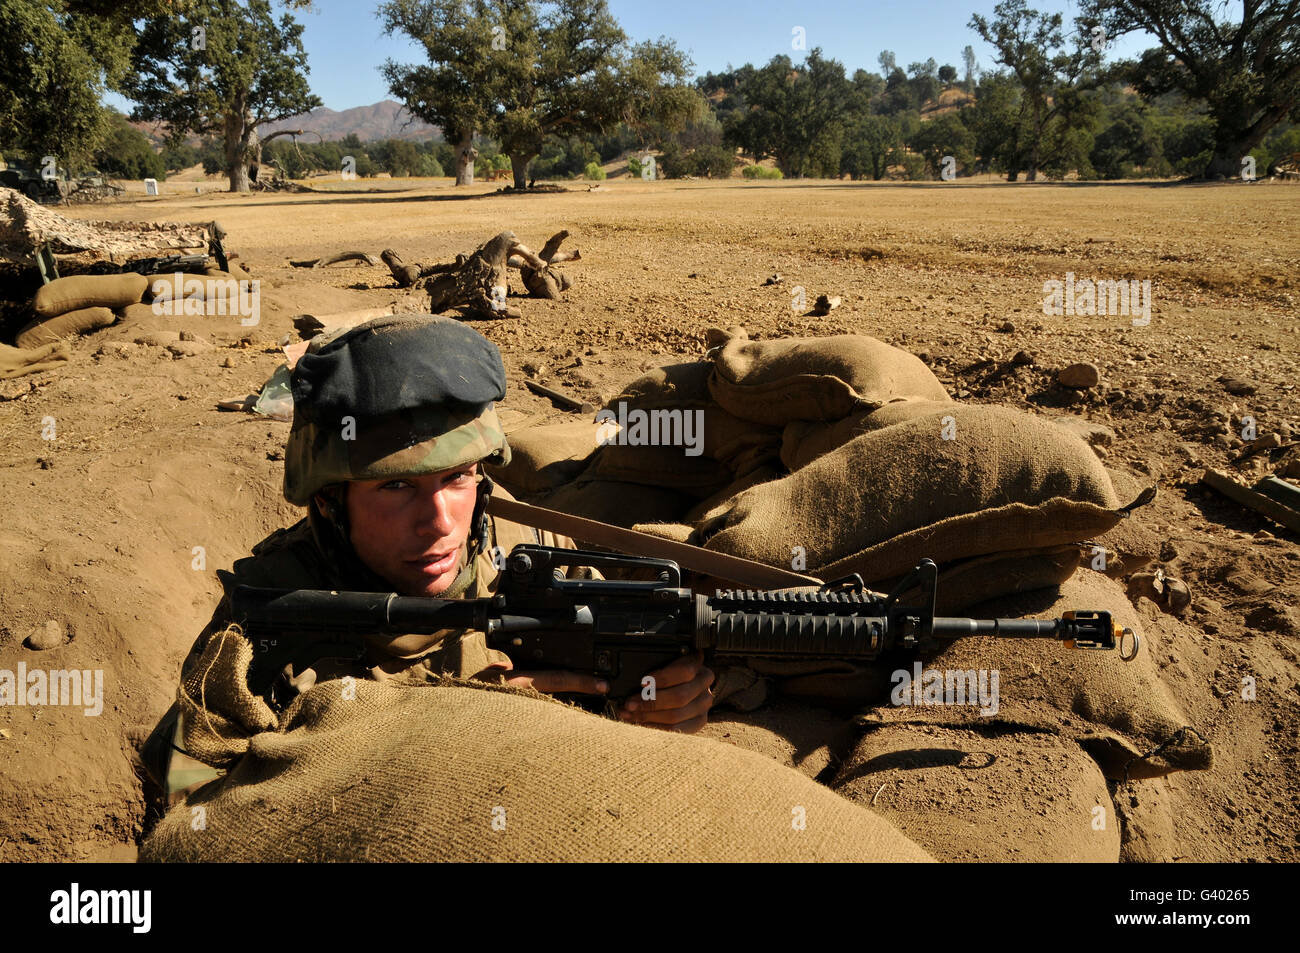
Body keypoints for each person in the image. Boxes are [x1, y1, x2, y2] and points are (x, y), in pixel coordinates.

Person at [142, 315, 713, 798]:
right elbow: (181, 783)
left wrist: (653, 711)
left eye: (458, 478)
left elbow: (617, 701)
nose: (440, 522)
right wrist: (429, 730)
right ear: (329, 502)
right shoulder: (269, 609)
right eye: (396, 488)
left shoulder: (526, 555)